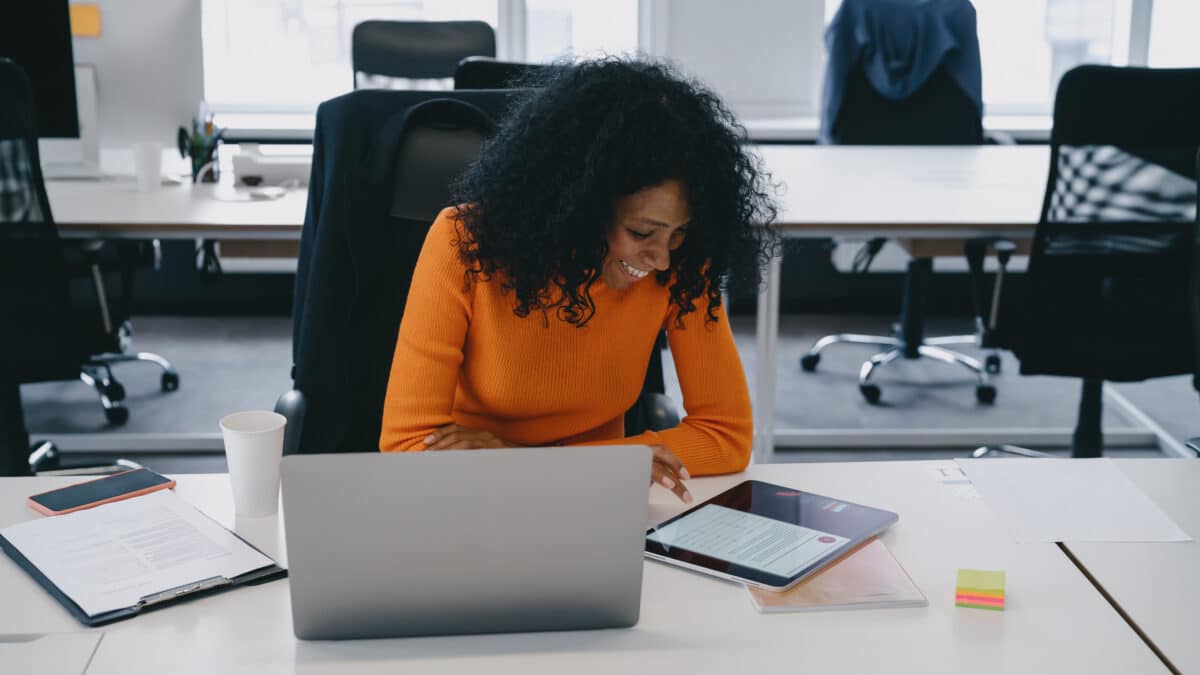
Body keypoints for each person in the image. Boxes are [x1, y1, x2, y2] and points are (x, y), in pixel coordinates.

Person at [379, 57, 777, 503]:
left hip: (595, 505)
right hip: (468, 498)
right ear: (580, 206)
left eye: (679, 233)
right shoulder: (463, 241)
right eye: (641, 232)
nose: (663, 259)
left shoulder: (683, 264)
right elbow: (408, 446)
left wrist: (550, 466)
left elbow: (727, 435)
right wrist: (599, 465)